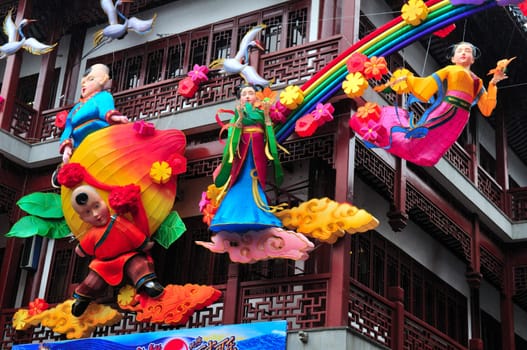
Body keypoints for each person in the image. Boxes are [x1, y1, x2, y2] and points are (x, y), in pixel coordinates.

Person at [353, 42, 509, 166]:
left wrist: (493, 83)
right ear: (453, 58)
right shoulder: (450, 69)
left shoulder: (478, 81)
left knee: (438, 142)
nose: (463, 53)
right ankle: (387, 133)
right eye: (460, 51)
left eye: (468, 51)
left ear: (473, 59)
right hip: (446, 108)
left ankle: (419, 153)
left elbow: (487, 108)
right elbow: (428, 83)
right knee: (423, 134)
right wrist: (408, 79)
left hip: (461, 118)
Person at [69, 185, 164, 317]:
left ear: (104, 201)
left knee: (139, 265)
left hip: (127, 257)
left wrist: (143, 244)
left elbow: (133, 235)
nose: (95, 214)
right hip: (103, 264)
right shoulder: (92, 233)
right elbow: (82, 250)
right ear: (82, 219)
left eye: (96, 206)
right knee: (92, 280)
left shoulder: (118, 221)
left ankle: (149, 284)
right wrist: (80, 249)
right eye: (87, 213)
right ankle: (83, 299)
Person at [209, 83, 284, 232]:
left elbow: (268, 130)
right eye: (244, 94)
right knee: (239, 177)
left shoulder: (262, 111)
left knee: (257, 178)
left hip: (257, 148)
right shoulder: (238, 112)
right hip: (242, 148)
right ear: (240, 99)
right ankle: (230, 214)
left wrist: (268, 116)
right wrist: (239, 120)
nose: (247, 96)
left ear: (257, 96)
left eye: (250, 93)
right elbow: (233, 136)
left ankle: (259, 213)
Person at [58, 63, 128, 165]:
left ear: (102, 80)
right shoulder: (76, 108)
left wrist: (114, 117)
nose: (84, 84)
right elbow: (68, 128)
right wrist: (66, 147)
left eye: (90, 79)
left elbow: (106, 109)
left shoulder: (103, 96)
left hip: (99, 137)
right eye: (83, 82)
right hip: (79, 144)